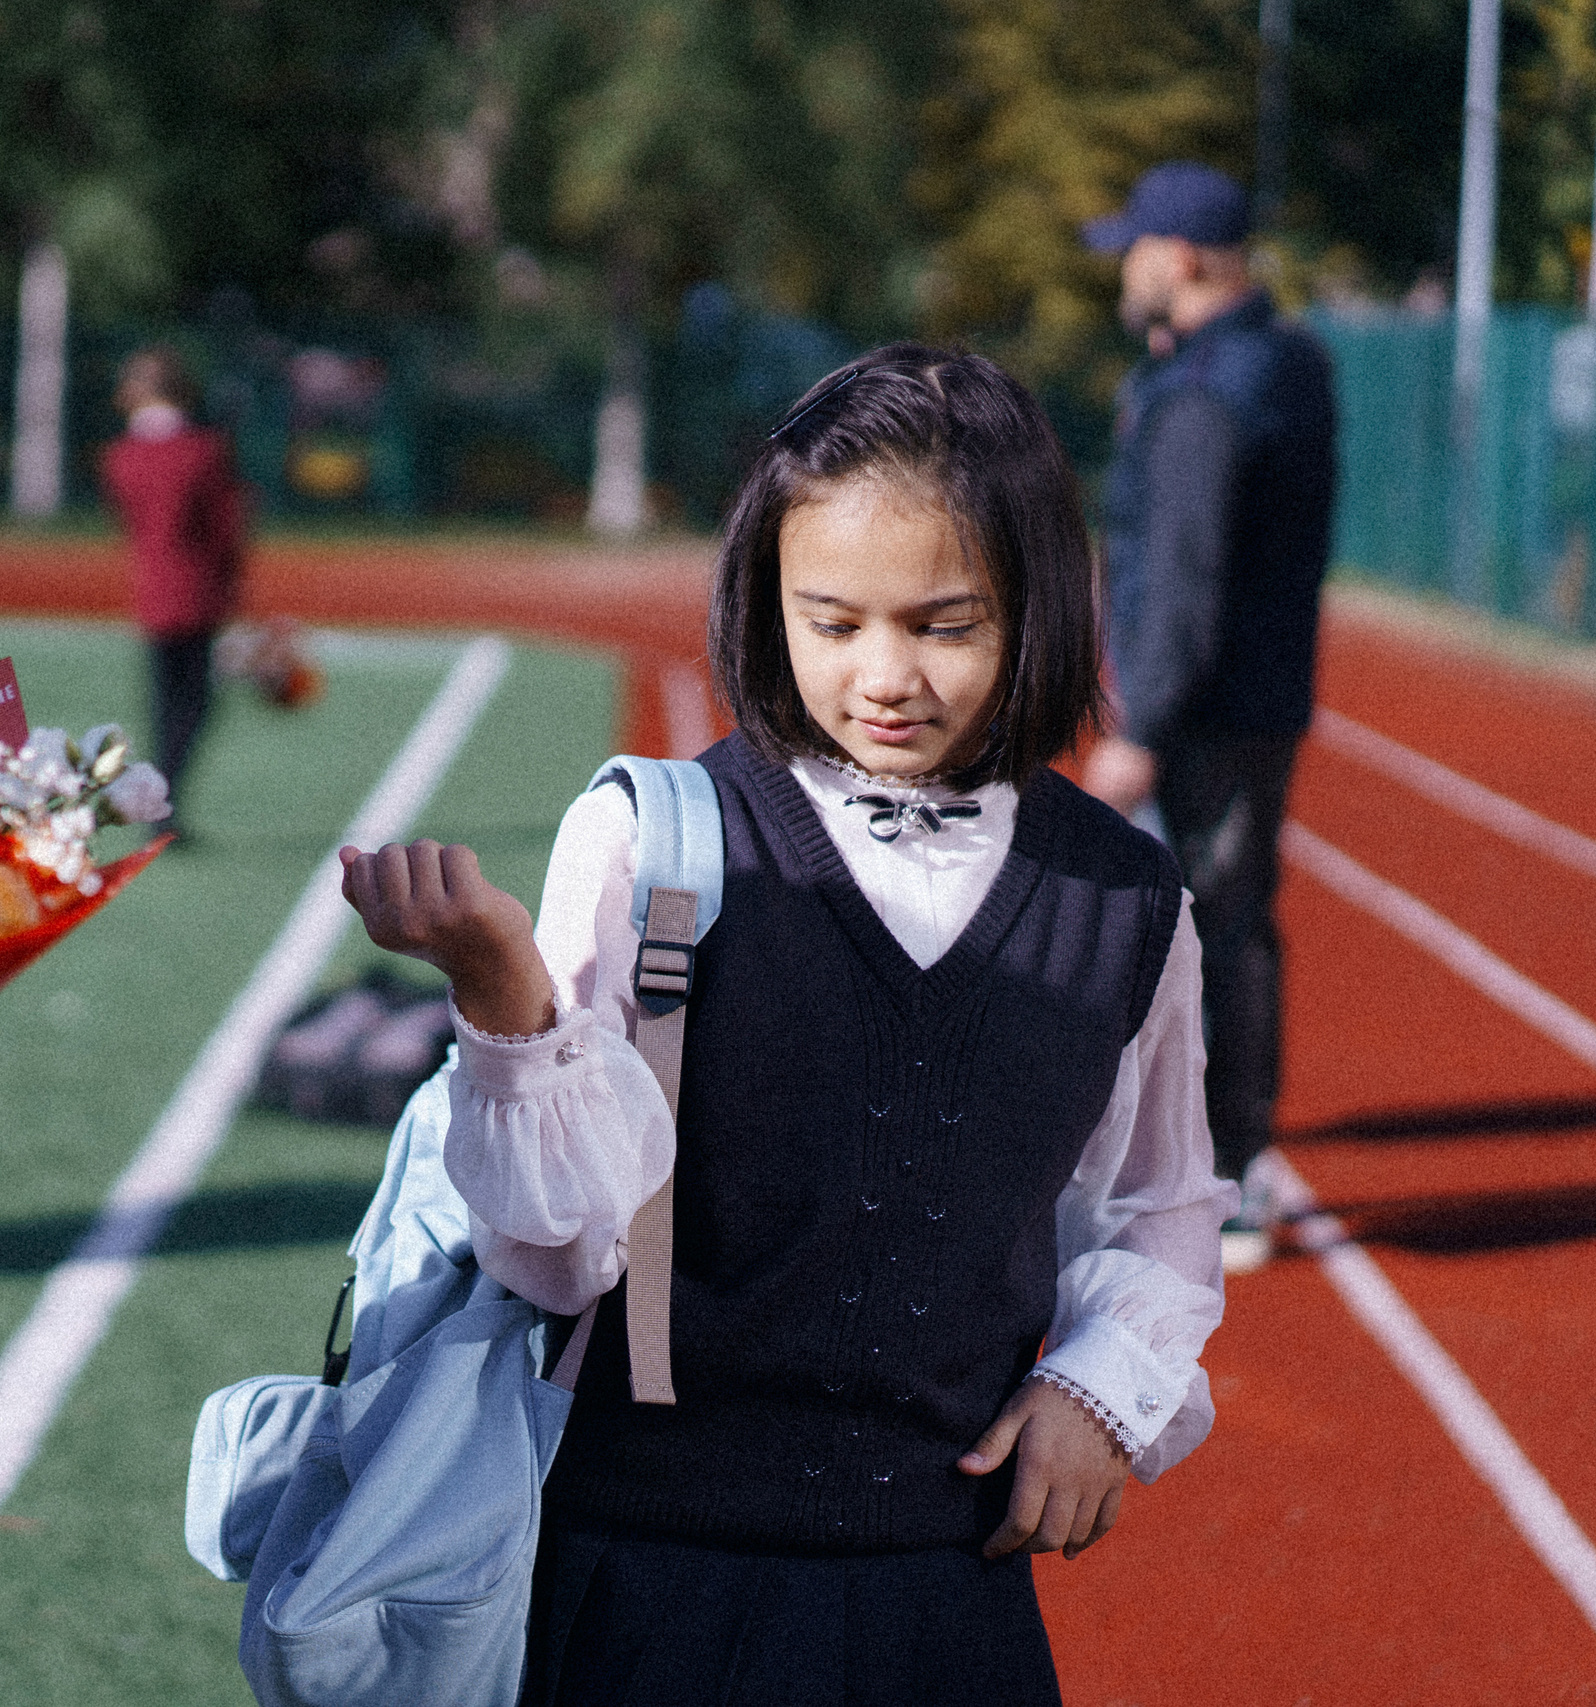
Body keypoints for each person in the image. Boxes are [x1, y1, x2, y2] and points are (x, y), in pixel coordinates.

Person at [340, 347, 1234, 1704]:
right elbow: (553, 1255)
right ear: (769, 604)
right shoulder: (652, 842)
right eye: (832, 621)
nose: (885, 674)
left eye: (945, 624)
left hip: (949, 1586)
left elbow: (1159, 1200)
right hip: (650, 1580)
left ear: (1038, 608)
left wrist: (1103, 1388)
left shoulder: (1125, 897)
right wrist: (504, 1005)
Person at [1078, 161, 1340, 1272]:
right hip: (1255, 694)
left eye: (1134, 251)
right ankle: (1220, 1151)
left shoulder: (1202, 396)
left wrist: (1140, 728)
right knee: (1230, 920)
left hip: (1205, 713)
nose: (1120, 271)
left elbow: (1184, 573)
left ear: (1179, 258)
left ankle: (1230, 1171)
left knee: (1214, 932)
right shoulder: (1283, 359)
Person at [97, 346, 245, 837]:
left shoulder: (121, 456)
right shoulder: (204, 451)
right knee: (194, 703)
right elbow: (226, 528)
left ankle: (159, 798)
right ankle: (165, 798)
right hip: (199, 590)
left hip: (152, 590)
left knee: (164, 701)